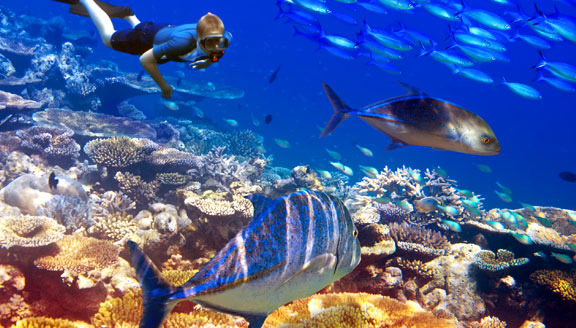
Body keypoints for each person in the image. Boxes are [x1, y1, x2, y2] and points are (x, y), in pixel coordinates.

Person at [53, 0, 230, 99]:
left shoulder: (220, 37)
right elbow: (145, 59)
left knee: (150, 33)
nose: (214, 48)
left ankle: (129, 15)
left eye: (219, 43)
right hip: (145, 38)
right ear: (199, 37)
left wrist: (210, 60)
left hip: (160, 30)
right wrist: (164, 87)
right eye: (209, 44)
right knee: (108, 38)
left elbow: (218, 50)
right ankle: (87, 1)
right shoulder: (181, 43)